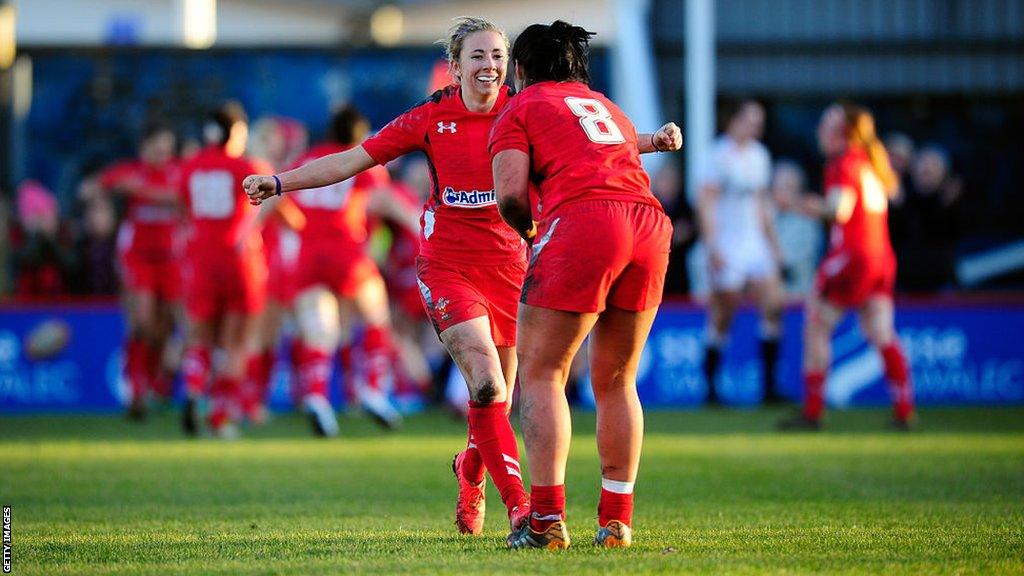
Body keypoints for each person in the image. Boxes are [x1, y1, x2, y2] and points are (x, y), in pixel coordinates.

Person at [244, 16, 678, 538]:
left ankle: (470, 471)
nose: (489, 66)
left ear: (510, 66)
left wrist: (654, 138)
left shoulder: (523, 111)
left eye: (498, 55)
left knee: (506, 397)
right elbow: (355, 160)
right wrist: (279, 181)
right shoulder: (432, 116)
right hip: (449, 265)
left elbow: (591, 146)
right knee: (488, 383)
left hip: (515, 270)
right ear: (454, 67)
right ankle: (523, 509)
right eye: (477, 56)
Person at [490, 20, 681, 550]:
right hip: (648, 223)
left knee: (544, 372)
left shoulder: (520, 106)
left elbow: (509, 195)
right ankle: (617, 519)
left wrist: (531, 232)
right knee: (618, 379)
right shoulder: (606, 106)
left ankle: (547, 519)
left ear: (521, 70)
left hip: (584, 223)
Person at [777, 102, 915, 431]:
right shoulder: (871, 162)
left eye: (827, 125)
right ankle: (904, 409)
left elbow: (838, 211)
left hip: (852, 257)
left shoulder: (844, 163)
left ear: (843, 133)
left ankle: (812, 412)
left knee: (816, 326)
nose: (819, 131)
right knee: (881, 331)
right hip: (881, 257)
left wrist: (796, 204)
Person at [287, 105, 414, 436]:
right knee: (376, 314)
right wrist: (420, 225)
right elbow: (385, 202)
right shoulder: (362, 161)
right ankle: (372, 388)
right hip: (347, 251)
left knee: (321, 329)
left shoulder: (307, 158)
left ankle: (316, 396)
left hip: (309, 252)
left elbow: (279, 196)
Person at [180, 101, 276, 438]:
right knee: (238, 342)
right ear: (236, 132)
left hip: (202, 258)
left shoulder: (191, 166)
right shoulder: (247, 165)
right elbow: (276, 198)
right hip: (239, 259)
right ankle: (221, 417)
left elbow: (183, 207)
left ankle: (193, 387)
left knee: (200, 338)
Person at [697, 99, 785, 405]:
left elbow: (762, 204)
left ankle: (769, 387)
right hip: (728, 242)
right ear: (734, 121)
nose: (756, 127)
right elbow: (706, 203)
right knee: (724, 312)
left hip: (754, 242)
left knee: (773, 305)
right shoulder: (717, 155)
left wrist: (774, 246)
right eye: (751, 120)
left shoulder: (760, 156)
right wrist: (712, 247)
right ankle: (710, 388)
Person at [93, 125, 183, 419]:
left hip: (171, 258)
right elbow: (91, 188)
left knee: (164, 327)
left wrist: (139, 191)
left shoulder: (178, 173)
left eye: (167, 148)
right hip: (138, 256)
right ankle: (135, 389)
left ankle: (157, 383)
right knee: (142, 321)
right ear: (144, 147)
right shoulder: (129, 171)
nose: (163, 154)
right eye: (157, 147)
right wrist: (103, 201)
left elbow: (181, 198)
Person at [771, 160, 824, 296]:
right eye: (779, 187)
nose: (783, 193)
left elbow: (786, 261)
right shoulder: (765, 217)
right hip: (765, 295)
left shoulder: (808, 224)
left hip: (797, 296)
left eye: (789, 188)